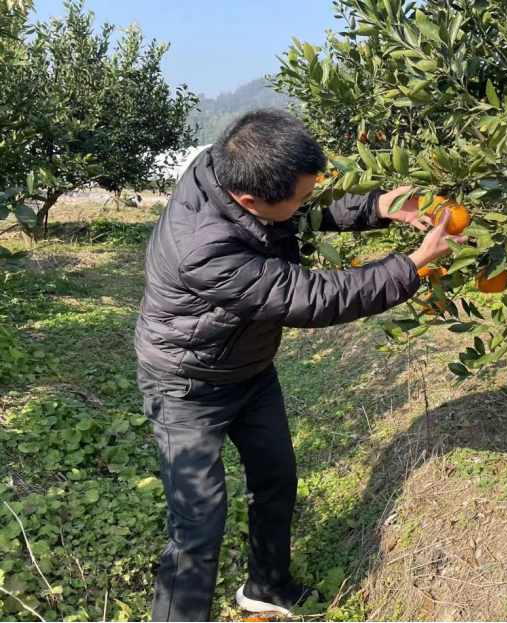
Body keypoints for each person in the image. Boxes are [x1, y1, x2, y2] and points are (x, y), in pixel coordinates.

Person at [133, 109, 465, 622]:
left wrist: (380, 206)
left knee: (276, 477)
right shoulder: (204, 248)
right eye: (299, 196)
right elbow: (308, 296)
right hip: (186, 384)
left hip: (248, 368)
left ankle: (268, 587)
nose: (307, 202)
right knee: (198, 523)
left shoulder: (224, 168)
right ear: (250, 200)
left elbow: (302, 205)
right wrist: (412, 264)